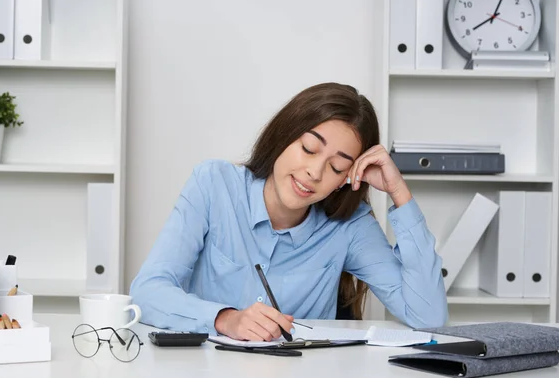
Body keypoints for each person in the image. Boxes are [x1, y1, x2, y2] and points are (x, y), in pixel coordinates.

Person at [130, 82, 448, 341]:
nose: (314, 172)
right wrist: (225, 319)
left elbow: (429, 317)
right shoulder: (214, 185)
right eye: (308, 149)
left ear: (346, 179)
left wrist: (399, 193)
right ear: (284, 135)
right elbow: (148, 290)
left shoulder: (350, 227)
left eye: (337, 167)